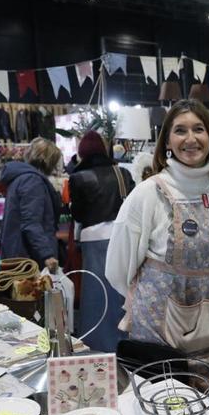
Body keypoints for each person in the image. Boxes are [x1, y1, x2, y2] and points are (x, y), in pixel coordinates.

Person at [105, 99, 209, 370]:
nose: (191, 138)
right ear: (166, 141)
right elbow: (117, 269)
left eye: (198, 129)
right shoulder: (148, 193)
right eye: (180, 130)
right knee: (162, 404)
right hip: (159, 331)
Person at [69, 131, 135, 352]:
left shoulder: (78, 178)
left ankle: (97, 347)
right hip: (124, 237)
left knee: (97, 295)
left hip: (93, 241)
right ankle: (126, 344)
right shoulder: (122, 173)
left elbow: (78, 214)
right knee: (122, 293)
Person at [0, 137, 62, 272]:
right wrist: (47, 255)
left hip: (17, 251)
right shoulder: (32, 181)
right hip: (28, 256)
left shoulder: (22, 177)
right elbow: (31, 222)